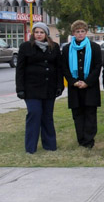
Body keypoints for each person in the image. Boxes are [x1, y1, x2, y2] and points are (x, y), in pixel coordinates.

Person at [16, 22, 64, 154]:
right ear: (33, 33)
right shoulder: (25, 47)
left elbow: (59, 68)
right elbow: (19, 69)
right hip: (31, 89)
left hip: (49, 88)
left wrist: (60, 85)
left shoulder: (53, 47)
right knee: (34, 114)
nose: (39, 35)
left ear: (46, 34)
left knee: (47, 116)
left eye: (41, 32)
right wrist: (20, 88)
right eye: (36, 32)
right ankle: (30, 147)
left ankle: (49, 145)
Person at [62, 20, 102, 149]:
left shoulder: (94, 47)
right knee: (78, 114)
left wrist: (87, 82)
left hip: (90, 87)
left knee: (90, 114)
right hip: (75, 87)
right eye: (77, 32)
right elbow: (64, 67)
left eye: (82, 31)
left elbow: (97, 66)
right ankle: (81, 139)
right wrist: (73, 82)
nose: (80, 34)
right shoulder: (67, 48)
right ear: (73, 33)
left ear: (86, 32)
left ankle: (89, 140)